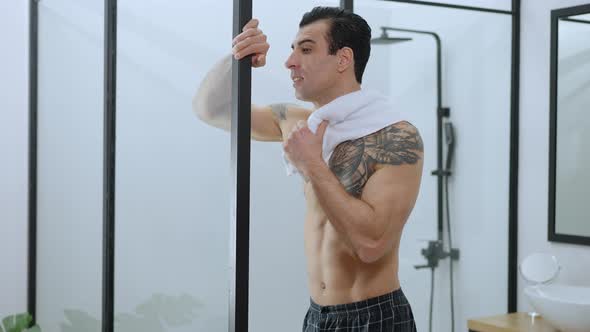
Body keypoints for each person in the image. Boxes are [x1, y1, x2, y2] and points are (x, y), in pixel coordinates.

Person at [193, 6, 423, 332]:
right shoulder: (298, 123)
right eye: (292, 50)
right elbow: (211, 109)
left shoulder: (395, 137)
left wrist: (312, 163)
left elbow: (371, 245)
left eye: (306, 49)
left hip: (374, 317)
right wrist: (238, 55)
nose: (289, 62)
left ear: (343, 59)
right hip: (316, 316)